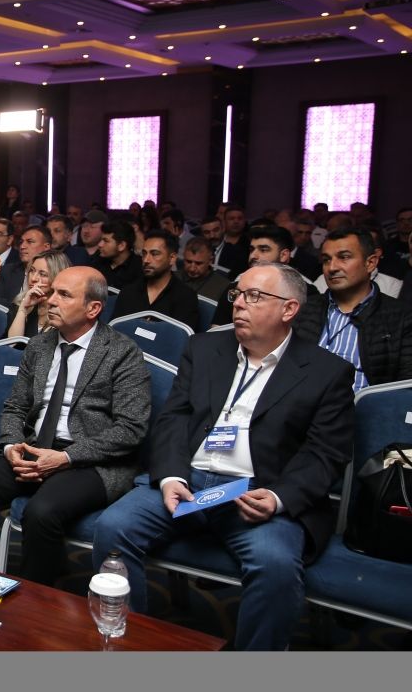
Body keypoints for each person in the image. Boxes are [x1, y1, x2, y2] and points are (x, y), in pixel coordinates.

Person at [92, 263, 355, 651]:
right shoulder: (204, 348)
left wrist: (278, 498)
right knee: (113, 527)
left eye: (254, 296)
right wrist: (171, 476)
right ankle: (131, 648)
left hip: (258, 491)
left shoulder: (326, 372)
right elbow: (175, 418)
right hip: (189, 479)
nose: (239, 304)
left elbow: (326, 453)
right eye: (237, 294)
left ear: (289, 309)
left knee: (275, 566)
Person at [0, 266, 150, 585]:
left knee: (41, 512)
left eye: (64, 295)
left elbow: (130, 429)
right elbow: (15, 407)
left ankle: (38, 598)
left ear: (93, 308)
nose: (50, 300)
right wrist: (11, 447)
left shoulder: (122, 352)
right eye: (52, 292)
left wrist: (66, 457)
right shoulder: (40, 345)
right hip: (35, 450)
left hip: (90, 462)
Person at [291, 228, 412, 391]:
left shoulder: (401, 316)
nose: (332, 267)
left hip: (365, 405)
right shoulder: (304, 309)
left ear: (370, 263)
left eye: (344, 257)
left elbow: (406, 386)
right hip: (304, 403)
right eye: (326, 260)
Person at [111, 231, 201, 331]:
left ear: (172, 258)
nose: (146, 260)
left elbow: (180, 338)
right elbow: (114, 331)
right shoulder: (128, 292)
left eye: (154, 254)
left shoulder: (186, 297)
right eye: (144, 254)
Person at [5, 250, 71, 338]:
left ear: (57, 277)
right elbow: (12, 342)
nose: (33, 278)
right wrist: (23, 310)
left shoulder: (65, 312)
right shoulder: (20, 303)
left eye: (43, 274)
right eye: (32, 271)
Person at [94, 219, 143, 290]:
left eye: (106, 241)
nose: (100, 244)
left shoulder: (139, 267)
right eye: (101, 240)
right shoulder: (98, 260)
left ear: (121, 246)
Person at [181, 237, 230, 302]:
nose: (192, 269)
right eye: (188, 262)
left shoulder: (224, 286)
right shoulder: (172, 277)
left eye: (198, 263)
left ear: (210, 261)